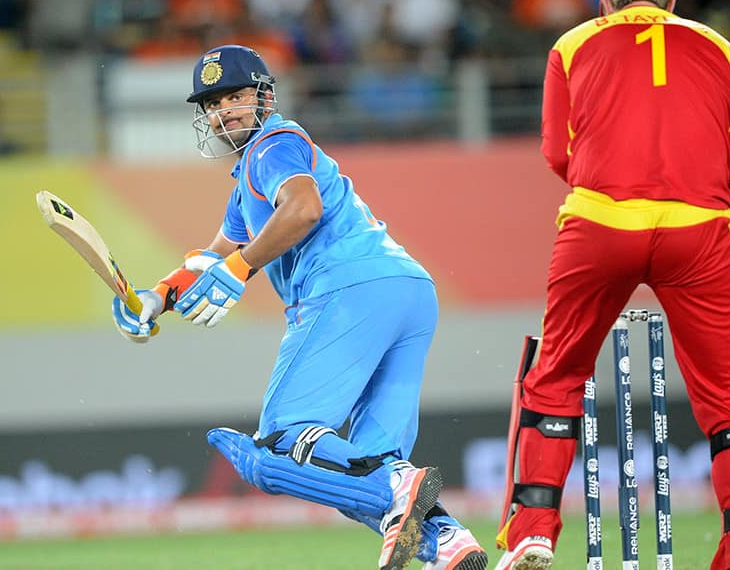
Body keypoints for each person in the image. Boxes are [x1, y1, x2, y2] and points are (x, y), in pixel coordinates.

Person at [110, 44, 488, 570]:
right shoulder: (250, 177)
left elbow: (303, 209)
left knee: (284, 442)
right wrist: (154, 298)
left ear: (264, 95)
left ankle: (402, 486)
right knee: (363, 474)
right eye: (213, 104)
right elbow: (211, 256)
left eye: (236, 96)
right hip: (407, 291)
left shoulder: (274, 143)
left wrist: (241, 270)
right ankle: (446, 544)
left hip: (348, 289)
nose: (224, 112)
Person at [494, 0, 730, 570]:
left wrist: (615, 182)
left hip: (599, 220)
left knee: (558, 374)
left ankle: (535, 534)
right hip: (700, 227)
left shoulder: (570, 46)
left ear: (605, 2)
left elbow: (555, 152)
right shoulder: (723, 49)